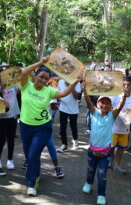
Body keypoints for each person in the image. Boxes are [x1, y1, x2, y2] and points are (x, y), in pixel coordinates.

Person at [19, 57, 81, 197]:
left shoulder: (48, 91)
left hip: (42, 128)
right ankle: (35, 174)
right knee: (29, 156)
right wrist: (40, 63)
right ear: (35, 76)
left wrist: (75, 81)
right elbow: (23, 73)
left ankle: (32, 183)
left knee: (34, 154)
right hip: (25, 126)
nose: (43, 80)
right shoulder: (26, 85)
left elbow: (63, 93)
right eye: (41, 76)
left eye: (46, 78)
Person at [82, 85, 127, 205]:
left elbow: (120, 106)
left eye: (108, 103)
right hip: (92, 150)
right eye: (102, 102)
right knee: (90, 170)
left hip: (105, 153)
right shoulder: (94, 113)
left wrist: (124, 96)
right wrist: (85, 91)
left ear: (111, 106)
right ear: (97, 104)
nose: (105, 105)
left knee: (102, 174)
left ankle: (101, 194)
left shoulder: (112, 116)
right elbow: (88, 102)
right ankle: (89, 183)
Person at [0, 84, 20, 170]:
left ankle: (10, 160)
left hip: (12, 116)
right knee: (1, 139)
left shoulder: (14, 85)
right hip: (1, 117)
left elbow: (21, 88)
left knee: (11, 139)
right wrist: (1, 89)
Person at [57, 78, 82, 152]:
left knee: (73, 126)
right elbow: (58, 93)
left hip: (73, 109)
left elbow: (77, 96)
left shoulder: (76, 83)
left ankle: (75, 141)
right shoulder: (60, 81)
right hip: (63, 108)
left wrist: (71, 86)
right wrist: (60, 100)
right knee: (62, 127)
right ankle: (64, 144)